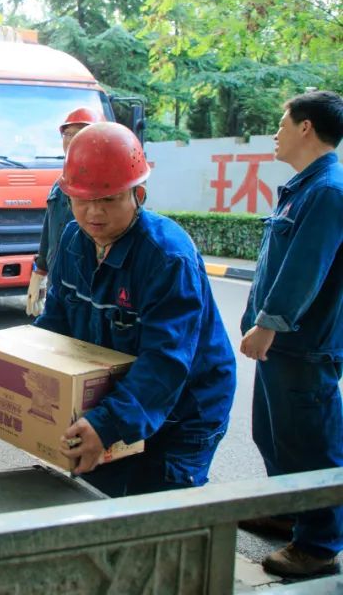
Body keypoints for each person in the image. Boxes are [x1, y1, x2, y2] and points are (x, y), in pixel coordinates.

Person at [35, 122, 236, 497]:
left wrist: (107, 423)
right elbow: (55, 324)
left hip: (185, 409)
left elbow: (165, 360)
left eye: (109, 200)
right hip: (118, 396)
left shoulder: (166, 256)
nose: (93, 212)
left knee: (158, 511)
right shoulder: (73, 239)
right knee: (96, 498)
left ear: (138, 194)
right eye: (82, 200)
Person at [237, 90, 343, 578]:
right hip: (285, 347)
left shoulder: (327, 191)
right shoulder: (305, 188)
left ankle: (319, 544)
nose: (276, 133)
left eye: (282, 123)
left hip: (304, 346)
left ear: (306, 127)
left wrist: (267, 324)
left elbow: (304, 270)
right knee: (274, 436)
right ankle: (288, 510)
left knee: (310, 445)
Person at [27, 107, 107, 316]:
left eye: (80, 134)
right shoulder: (60, 184)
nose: (71, 140)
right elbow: (49, 228)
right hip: (57, 278)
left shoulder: (107, 185)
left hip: (86, 281)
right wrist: (40, 271)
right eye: (68, 134)